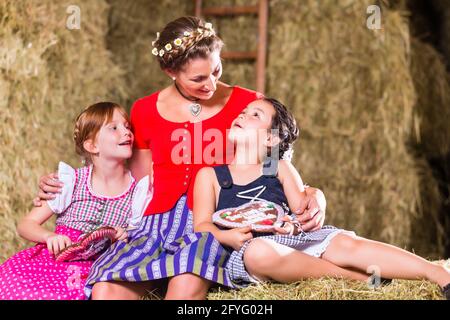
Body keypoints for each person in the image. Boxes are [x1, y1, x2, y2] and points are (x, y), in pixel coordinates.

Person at [33, 17, 327, 300]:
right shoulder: (145, 110)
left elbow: (275, 163)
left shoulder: (247, 103)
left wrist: (313, 193)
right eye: (198, 78)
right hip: (153, 226)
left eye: (216, 71)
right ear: (170, 72)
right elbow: (131, 180)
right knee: (106, 290)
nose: (210, 85)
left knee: (184, 286)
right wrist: (70, 185)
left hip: (212, 225)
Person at [193, 97, 450, 299]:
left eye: (254, 115)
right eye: (244, 111)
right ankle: (356, 279)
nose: (243, 115)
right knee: (258, 252)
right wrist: (227, 237)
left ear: (270, 138)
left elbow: (300, 213)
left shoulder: (278, 167)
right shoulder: (211, 176)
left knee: (345, 245)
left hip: (294, 242)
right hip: (255, 252)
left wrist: (292, 224)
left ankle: (435, 272)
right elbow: (202, 224)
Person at [0, 102, 150, 300]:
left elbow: (137, 238)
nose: (126, 132)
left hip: (94, 267)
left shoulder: (137, 191)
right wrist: (49, 237)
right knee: (15, 282)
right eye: (114, 127)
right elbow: (26, 224)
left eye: (127, 126)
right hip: (55, 260)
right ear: (92, 145)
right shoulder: (72, 181)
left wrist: (123, 235)